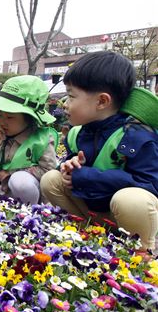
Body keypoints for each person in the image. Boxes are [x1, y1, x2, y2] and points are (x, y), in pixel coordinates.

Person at [40, 51, 158, 259]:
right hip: (96, 209)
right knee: (51, 179)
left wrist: (85, 175)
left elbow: (149, 185)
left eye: (71, 96)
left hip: (127, 215)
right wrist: (69, 166)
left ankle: (142, 250)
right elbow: (73, 166)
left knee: (132, 200)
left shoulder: (136, 135)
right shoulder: (79, 132)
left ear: (102, 101)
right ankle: (88, 231)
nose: (64, 104)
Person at [0, 75, 58, 204]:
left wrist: (10, 173)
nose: (2, 122)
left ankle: (28, 214)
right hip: (0, 186)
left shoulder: (41, 139)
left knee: (20, 181)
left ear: (29, 118)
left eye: (10, 117)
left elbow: (48, 172)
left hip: (24, 191)